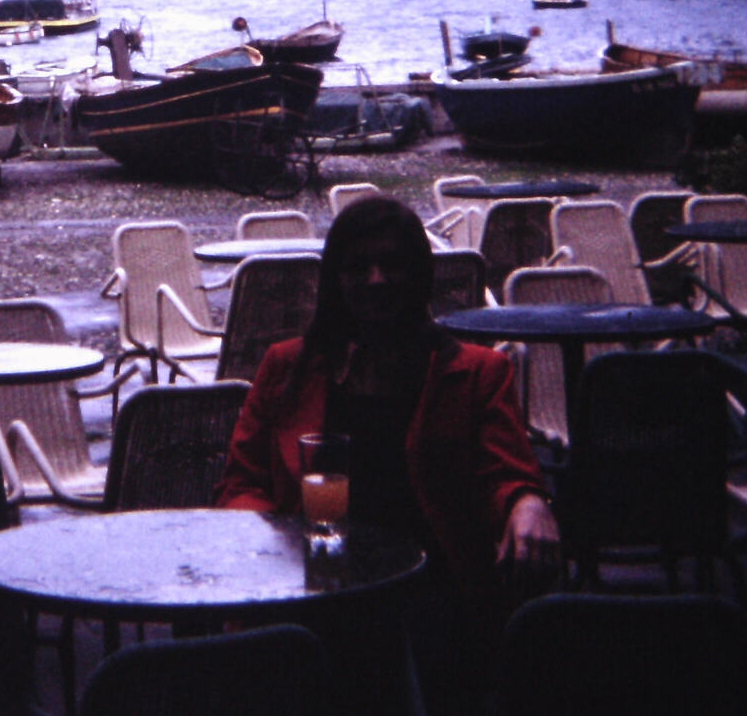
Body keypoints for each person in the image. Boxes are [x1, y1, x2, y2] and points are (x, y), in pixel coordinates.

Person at [216, 194, 559, 713]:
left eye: (392, 265)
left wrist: (528, 501)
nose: (376, 280)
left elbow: (507, 473)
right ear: (335, 279)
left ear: (418, 275)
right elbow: (242, 484)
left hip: (428, 589)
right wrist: (266, 553)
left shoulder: (475, 372)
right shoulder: (287, 368)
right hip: (310, 585)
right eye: (358, 267)